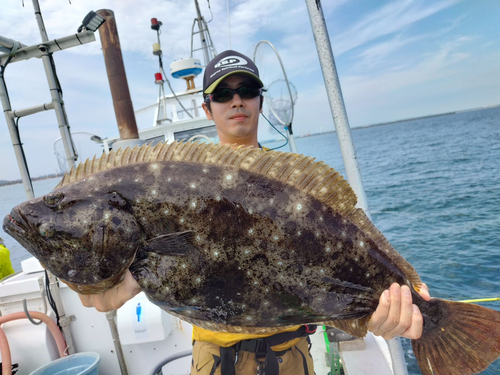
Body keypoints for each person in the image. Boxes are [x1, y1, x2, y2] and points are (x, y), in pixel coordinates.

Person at [79, 50, 431, 374]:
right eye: (222, 94)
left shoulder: (294, 192)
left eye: (246, 90)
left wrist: (384, 309)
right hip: (215, 360)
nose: (236, 101)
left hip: (293, 357)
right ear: (206, 108)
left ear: (260, 101)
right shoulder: (177, 188)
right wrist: (107, 279)